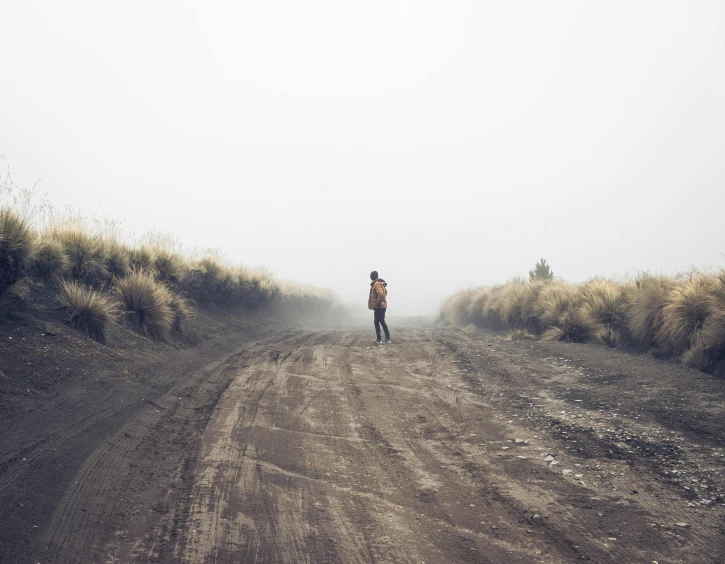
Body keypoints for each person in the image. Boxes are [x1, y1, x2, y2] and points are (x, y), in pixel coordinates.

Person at [368, 270, 391, 344]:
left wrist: (378, 303)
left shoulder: (377, 284)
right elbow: (384, 293)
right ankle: (384, 338)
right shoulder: (379, 284)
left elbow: (381, 295)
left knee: (380, 321)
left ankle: (383, 338)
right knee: (378, 321)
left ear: (371, 277)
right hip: (381, 306)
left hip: (380, 306)